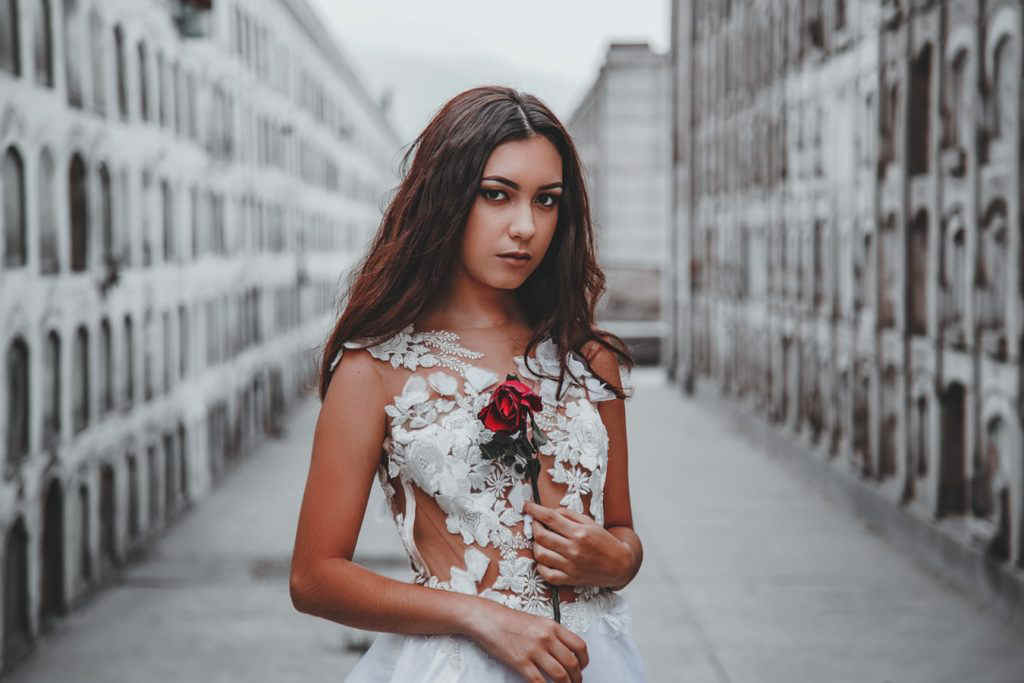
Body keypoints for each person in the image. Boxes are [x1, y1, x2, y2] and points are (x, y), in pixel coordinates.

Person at [290, 85, 647, 683]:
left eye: (547, 200)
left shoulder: (589, 360)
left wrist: (618, 560)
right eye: (496, 195)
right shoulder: (375, 368)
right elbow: (314, 577)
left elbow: (621, 532)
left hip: (594, 663)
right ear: (447, 199)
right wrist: (480, 617)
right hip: (459, 666)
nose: (526, 227)